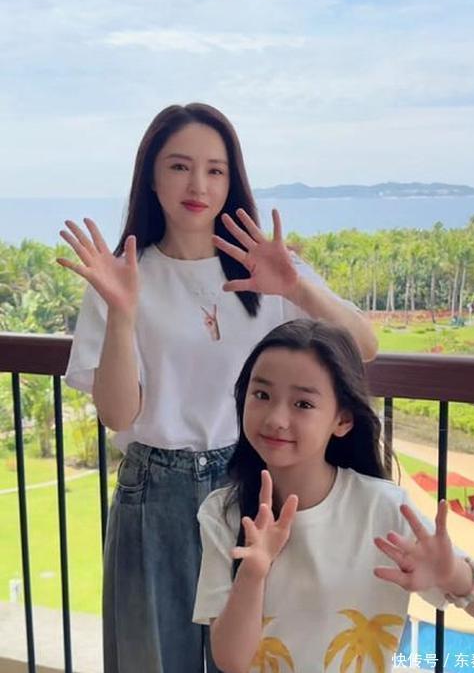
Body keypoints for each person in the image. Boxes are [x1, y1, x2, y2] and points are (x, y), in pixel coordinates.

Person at [59, 103, 378, 673]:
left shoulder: (264, 267)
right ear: (151, 176)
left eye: (215, 170)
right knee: (153, 660)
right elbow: (117, 413)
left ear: (232, 181)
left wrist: (296, 289)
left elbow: (364, 345)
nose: (198, 186)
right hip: (154, 490)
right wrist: (123, 313)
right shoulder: (123, 274)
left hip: (251, 484)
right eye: (179, 166)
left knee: (258, 656)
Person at [193, 319, 474, 673]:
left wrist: (452, 573)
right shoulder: (223, 512)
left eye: (303, 404)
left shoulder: (383, 509)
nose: (276, 418)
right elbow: (231, 660)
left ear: (343, 420)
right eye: (262, 395)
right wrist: (253, 573)